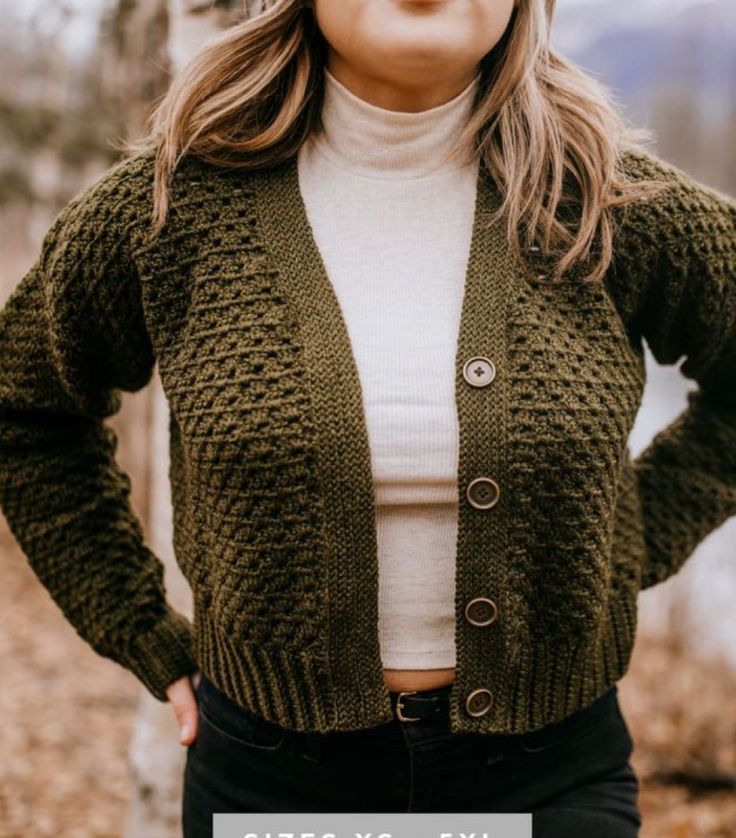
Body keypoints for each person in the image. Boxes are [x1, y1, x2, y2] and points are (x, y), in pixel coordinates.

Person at [1, 0, 734, 835]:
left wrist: (626, 539)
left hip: (550, 780)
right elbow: (23, 408)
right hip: (272, 786)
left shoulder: (610, 203)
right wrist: (135, 626)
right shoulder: (171, 209)